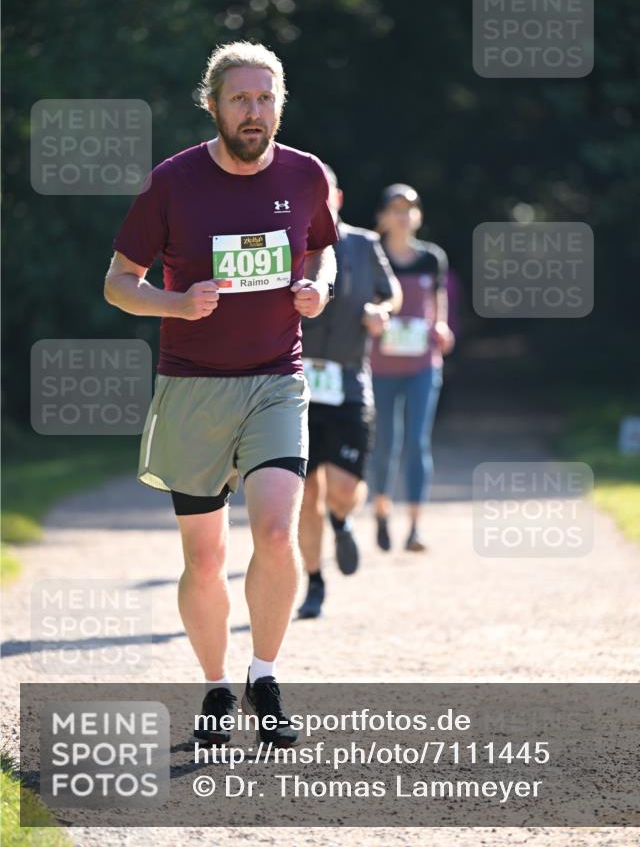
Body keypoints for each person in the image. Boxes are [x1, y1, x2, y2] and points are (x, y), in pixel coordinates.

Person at [104, 41, 337, 747]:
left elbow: (322, 248)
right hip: (193, 387)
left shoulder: (305, 175)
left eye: (265, 99)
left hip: (276, 379)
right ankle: (214, 685)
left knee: (272, 531)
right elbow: (118, 282)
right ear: (212, 105)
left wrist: (318, 288)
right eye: (240, 99)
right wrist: (174, 305)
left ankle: (264, 674)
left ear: (280, 105)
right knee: (204, 558)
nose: (254, 111)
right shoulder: (171, 182)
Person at [297, 166, 401, 618]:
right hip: (293, 383)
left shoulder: (363, 244)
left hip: (348, 381)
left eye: (324, 193)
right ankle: (314, 583)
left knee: (343, 487)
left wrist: (380, 310)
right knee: (303, 493)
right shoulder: (287, 246)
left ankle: (342, 520)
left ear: (337, 197)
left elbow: (390, 293)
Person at [369, 184, 455, 553]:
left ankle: (416, 527)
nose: (404, 215)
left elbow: (438, 302)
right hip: (379, 366)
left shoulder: (432, 258)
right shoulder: (372, 256)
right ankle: (382, 511)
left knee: (418, 442)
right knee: (386, 442)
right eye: (396, 208)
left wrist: (442, 327)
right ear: (383, 217)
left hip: (422, 365)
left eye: (411, 208)